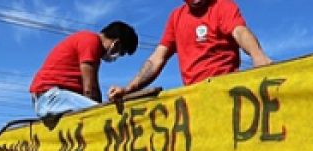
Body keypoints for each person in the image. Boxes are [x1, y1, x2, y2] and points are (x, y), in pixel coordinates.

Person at [108, 0, 271, 101]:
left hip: (227, 92)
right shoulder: (176, 18)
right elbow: (158, 58)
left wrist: (258, 57)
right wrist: (129, 88)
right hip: (194, 99)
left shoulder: (223, 6)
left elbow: (240, 31)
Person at [30, 21, 139, 118]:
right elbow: (90, 89)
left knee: (100, 112)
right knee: (106, 115)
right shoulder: (91, 41)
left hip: (49, 99)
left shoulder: (91, 46)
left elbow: (90, 91)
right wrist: (100, 106)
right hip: (50, 98)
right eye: (121, 53)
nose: (117, 57)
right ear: (116, 44)